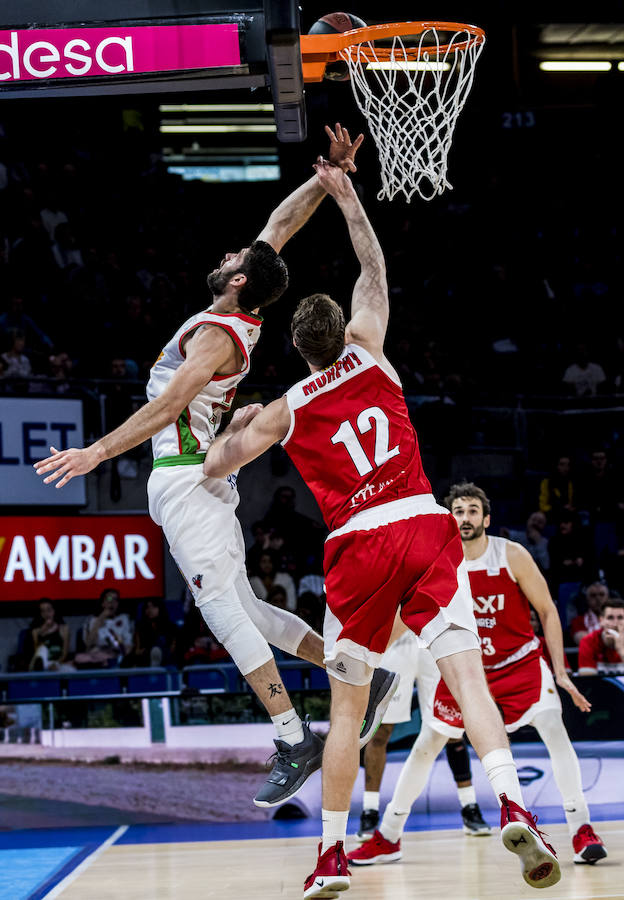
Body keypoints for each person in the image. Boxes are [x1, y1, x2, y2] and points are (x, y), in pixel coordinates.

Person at [202, 163, 564, 895]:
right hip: (423, 525)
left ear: (301, 349)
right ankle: (512, 803)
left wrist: (230, 421)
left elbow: (214, 466)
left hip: (359, 543)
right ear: (345, 331)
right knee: (470, 683)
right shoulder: (373, 351)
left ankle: (331, 854)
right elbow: (374, 264)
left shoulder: (288, 407)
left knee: (347, 711)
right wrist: (345, 193)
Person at [33, 126, 396, 808]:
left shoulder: (215, 336)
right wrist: (327, 181)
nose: (232, 251)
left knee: (224, 610)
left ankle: (294, 736)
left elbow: (168, 402)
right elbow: (280, 225)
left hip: (187, 475)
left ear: (236, 280)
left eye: (234, 255)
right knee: (251, 612)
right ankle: (363, 676)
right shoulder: (235, 308)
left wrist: (96, 452)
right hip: (198, 479)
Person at [351, 482, 605, 872]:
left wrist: (560, 672)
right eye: (458, 510)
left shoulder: (511, 555)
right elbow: (403, 619)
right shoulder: (437, 563)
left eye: (472, 511)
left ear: (486, 518)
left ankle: (581, 828)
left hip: (519, 664)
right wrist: (361, 650)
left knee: (555, 728)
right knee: (426, 745)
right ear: (447, 517)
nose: (465, 518)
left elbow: (549, 611)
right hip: (467, 675)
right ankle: (388, 836)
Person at [355, 630, 491, 841]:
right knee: (380, 731)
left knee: (450, 726)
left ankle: (469, 807)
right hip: (396, 639)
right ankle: (369, 812)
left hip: (431, 638)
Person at [75, 588, 134, 667]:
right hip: (94, 655)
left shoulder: (124, 619)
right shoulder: (92, 620)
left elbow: (128, 645)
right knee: (79, 658)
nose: (112, 602)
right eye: (109, 599)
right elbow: (88, 644)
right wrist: (100, 619)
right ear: (102, 603)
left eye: (115, 600)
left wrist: (122, 652)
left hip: (115, 655)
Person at [577, 597, 624, 674]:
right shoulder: (588, 642)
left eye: (620, 618)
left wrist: (621, 650)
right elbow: (587, 681)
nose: (615, 623)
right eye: (610, 618)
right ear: (601, 620)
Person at [29, 598, 72, 671]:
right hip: (41, 664)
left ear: (54, 611)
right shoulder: (35, 631)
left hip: (58, 663)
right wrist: (43, 630)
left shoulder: (64, 629)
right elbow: (36, 652)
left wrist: (56, 663)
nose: (46, 614)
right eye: (43, 611)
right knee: (42, 649)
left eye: (49, 610)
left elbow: (64, 653)